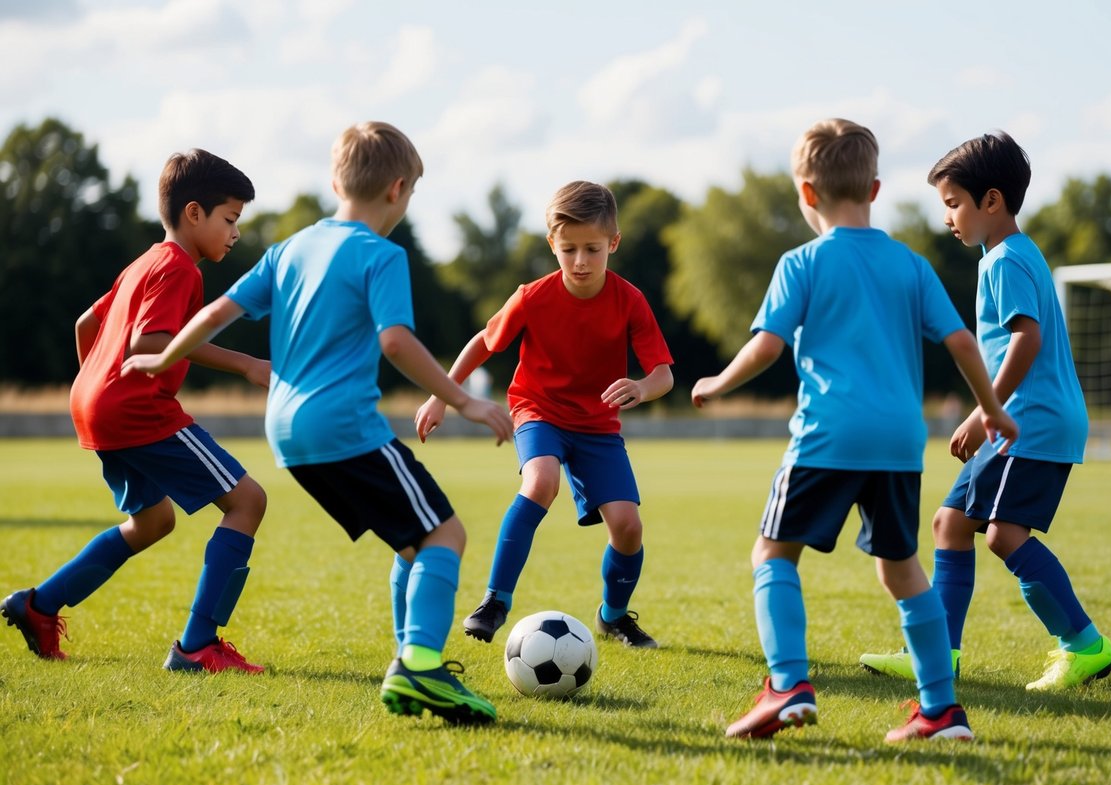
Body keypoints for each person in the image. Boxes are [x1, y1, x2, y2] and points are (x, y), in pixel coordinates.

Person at [122, 122, 514, 725]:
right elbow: (397, 341)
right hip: (343, 428)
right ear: (399, 190)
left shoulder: (291, 248)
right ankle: (422, 668)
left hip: (286, 432)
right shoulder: (381, 255)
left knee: (413, 541)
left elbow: (218, 312)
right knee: (446, 536)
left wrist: (162, 356)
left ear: (336, 180)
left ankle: (410, 662)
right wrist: (465, 400)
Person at [691, 118, 1019, 742]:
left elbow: (766, 346)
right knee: (902, 569)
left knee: (773, 553)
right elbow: (961, 343)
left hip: (828, 436)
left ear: (807, 194)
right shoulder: (912, 265)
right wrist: (992, 409)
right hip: (900, 443)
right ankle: (941, 710)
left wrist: (716, 383)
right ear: (873, 188)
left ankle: (787, 685)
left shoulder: (802, 263)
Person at [859, 132, 1111, 691]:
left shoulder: (1004, 260)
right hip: (1027, 419)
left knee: (1003, 535)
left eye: (953, 204)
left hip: (1030, 421)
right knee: (951, 524)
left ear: (992, 201)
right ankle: (937, 656)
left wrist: (986, 411)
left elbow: (1026, 339)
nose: (947, 217)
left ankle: (1085, 645)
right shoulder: (1009, 256)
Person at [2, 149, 269, 674]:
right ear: (194, 213)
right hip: (138, 411)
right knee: (249, 502)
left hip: (96, 410)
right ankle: (197, 646)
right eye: (230, 220)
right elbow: (154, 339)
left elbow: (85, 324)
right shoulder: (178, 269)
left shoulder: (143, 263)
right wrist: (245, 364)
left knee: (152, 522)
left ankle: (38, 604)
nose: (235, 234)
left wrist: (95, 386)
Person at [415, 180, 674, 649]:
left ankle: (613, 617)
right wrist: (441, 396)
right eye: (569, 248)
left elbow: (663, 374)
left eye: (592, 249)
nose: (580, 261)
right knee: (540, 482)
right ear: (552, 243)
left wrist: (640, 386)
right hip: (539, 410)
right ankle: (495, 600)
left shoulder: (629, 300)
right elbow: (482, 342)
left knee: (628, 526)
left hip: (598, 427)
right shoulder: (532, 296)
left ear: (613, 243)